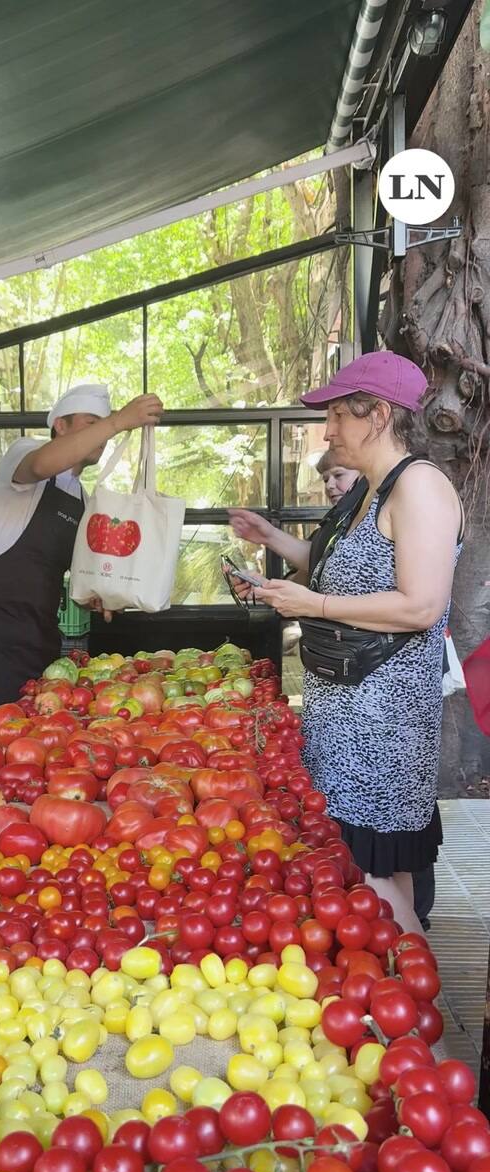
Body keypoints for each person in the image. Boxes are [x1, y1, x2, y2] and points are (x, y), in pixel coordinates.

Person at [230, 352, 462, 934]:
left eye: (337, 415)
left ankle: (410, 983)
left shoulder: (419, 486)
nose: (328, 431)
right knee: (375, 874)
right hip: (344, 717)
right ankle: (405, 978)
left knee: (371, 877)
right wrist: (272, 547)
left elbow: (421, 605)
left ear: (378, 414)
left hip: (382, 725)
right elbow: (335, 569)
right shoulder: (370, 493)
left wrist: (315, 606)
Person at [0, 384, 163, 738]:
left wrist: (98, 595)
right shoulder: (25, 454)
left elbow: (77, 574)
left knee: (32, 738)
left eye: (103, 424)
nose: (102, 435)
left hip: (39, 633)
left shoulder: (81, 499)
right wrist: (118, 421)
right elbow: (41, 464)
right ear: (60, 426)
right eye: (91, 423)